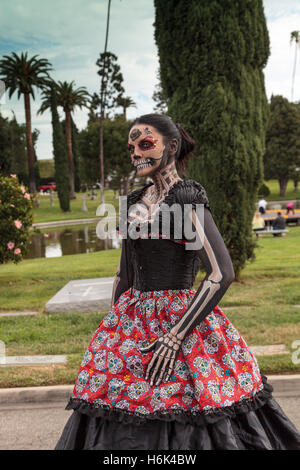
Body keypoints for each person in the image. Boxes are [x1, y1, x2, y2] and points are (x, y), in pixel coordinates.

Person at [55, 113, 300, 450]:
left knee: (189, 403)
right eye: (131, 147)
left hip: (183, 323)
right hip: (133, 323)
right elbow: (124, 276)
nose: (136, 153)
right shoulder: (132, 205)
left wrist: (174, 337)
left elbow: (220, 272)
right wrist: (114, 331)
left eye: (145, 144)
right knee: (117, 402)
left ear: (171, 146)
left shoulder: (186, 196)